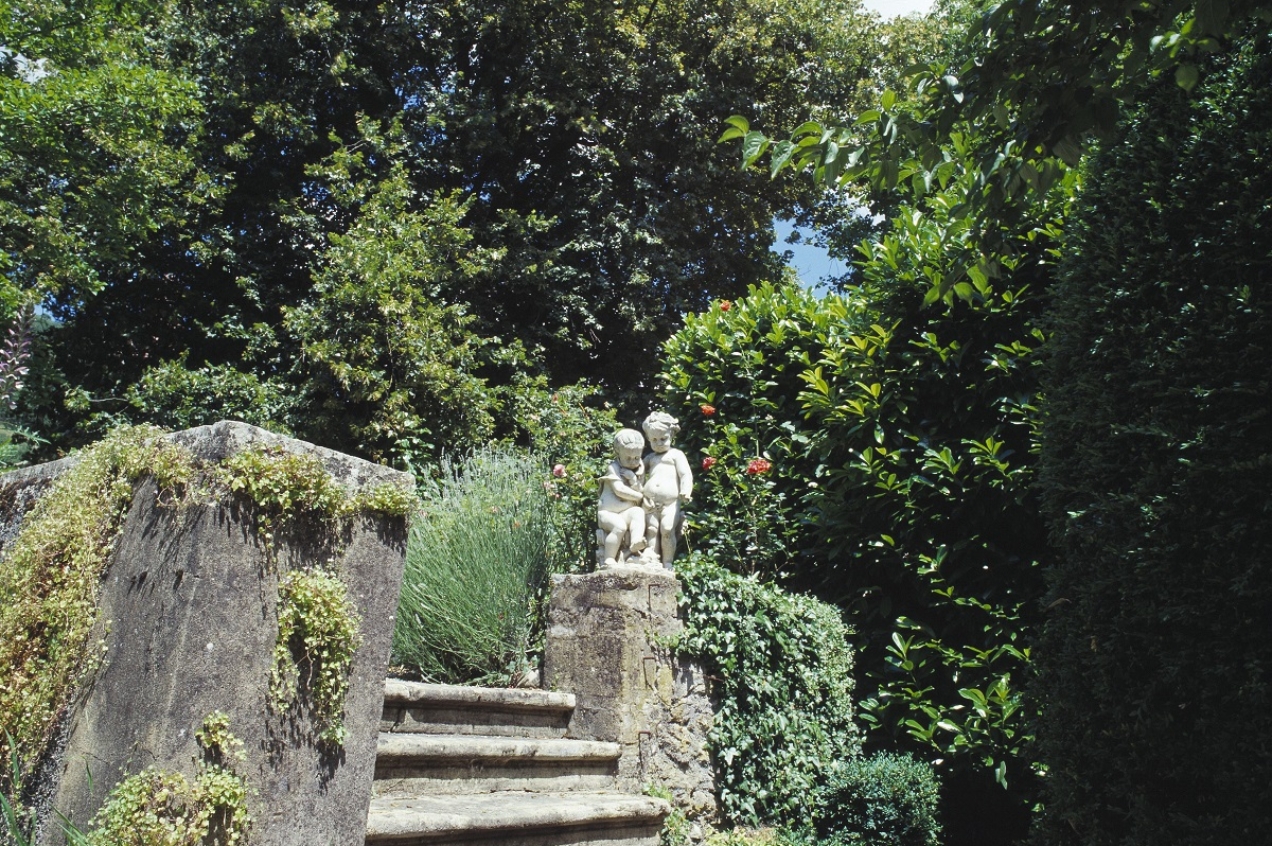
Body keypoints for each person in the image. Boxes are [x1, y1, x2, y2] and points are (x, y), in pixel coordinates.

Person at [640, 411, 692, 567]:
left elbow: (685, 475)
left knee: (667, 529)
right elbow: (638, 474)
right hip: (650, 501)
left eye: (663, 439)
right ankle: (652, 559)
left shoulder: (676, 454)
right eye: (654, 440)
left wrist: (686, 491)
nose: (659, 443)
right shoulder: (650, 458)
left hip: (670, 502)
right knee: (651, 530)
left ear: (671, 435)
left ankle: (667, 562)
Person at [597, 428, 648, 568]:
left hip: (625, 513)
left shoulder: (638, 470)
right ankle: (609, 559)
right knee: (619, 526)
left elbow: (640, 488)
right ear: (618, 452)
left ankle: (636, 542)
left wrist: (633, 480)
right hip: (607, 514)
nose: (633, 462)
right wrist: (639, 496)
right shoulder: (613, 468)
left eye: (636, 458)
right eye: (628, 458)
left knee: (638, 512)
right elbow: (619, 490)